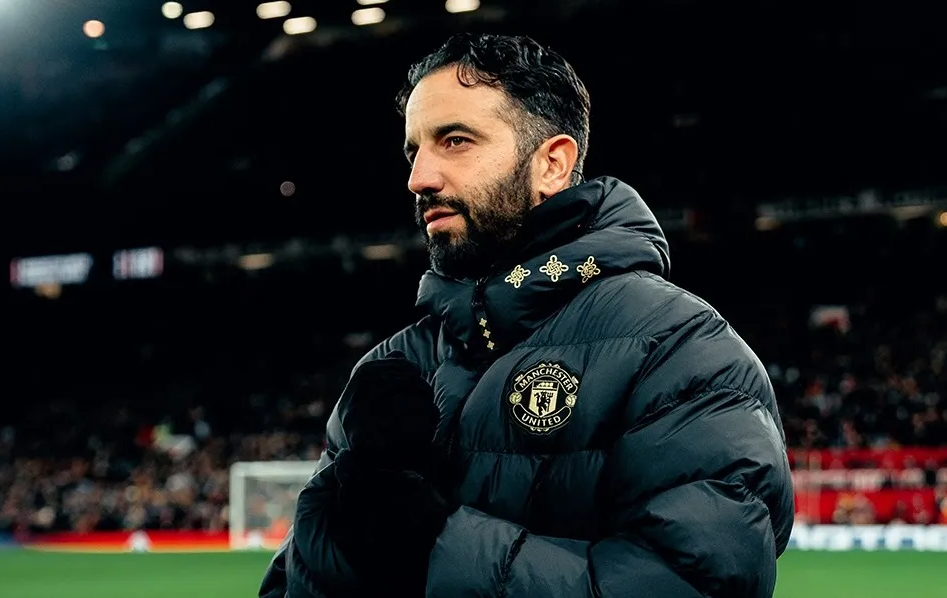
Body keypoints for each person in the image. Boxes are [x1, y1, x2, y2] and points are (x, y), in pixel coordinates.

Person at [259, 32, 794, 598]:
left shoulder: (681, 351)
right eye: (414, 151)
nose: (419, 179)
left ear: (552, 164)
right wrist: (342, 527)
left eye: (455, 140)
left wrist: (435, 543)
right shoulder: (392, 364)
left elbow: (698, 585)